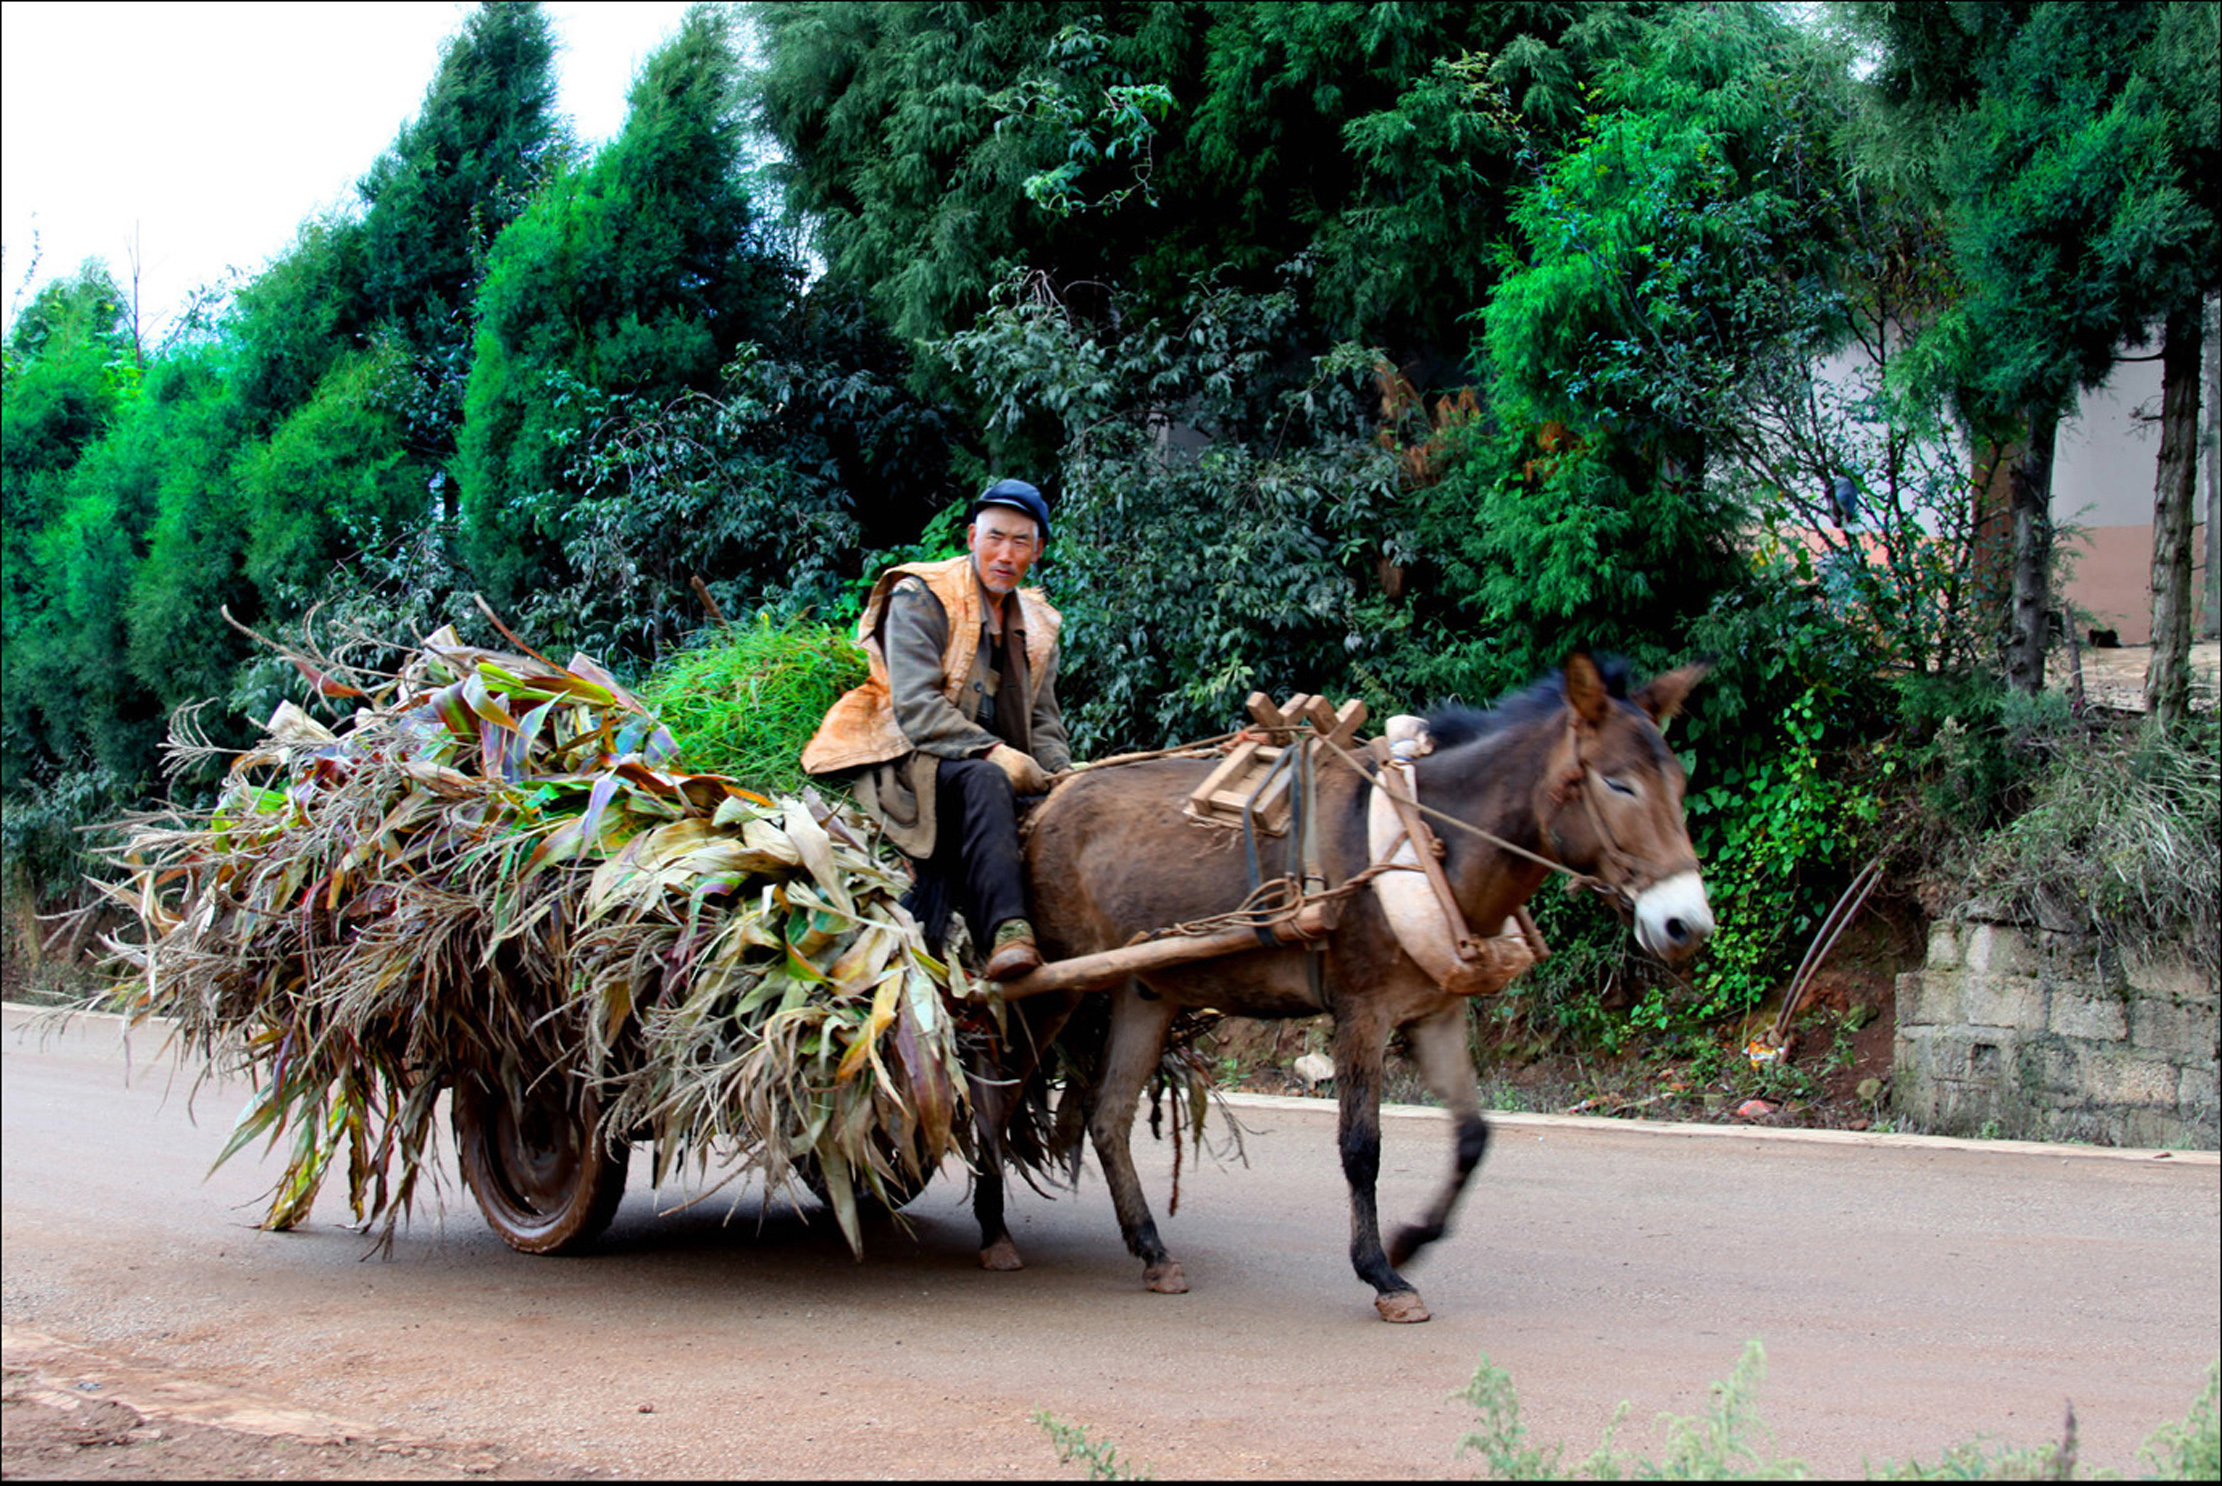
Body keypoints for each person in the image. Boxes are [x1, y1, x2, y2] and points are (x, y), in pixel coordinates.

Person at [801, 479, 1072, 979]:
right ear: (971, 537)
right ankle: (1007, 932)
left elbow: (1043, 718)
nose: (1005, 554)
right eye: (994, 537)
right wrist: (994, 753)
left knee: (1073, 805)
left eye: (1020, 542)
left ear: (1037, 551)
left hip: (992, 761)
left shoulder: (1039, 623)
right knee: (985, 780)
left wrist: (1061, 771)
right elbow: (918, 708)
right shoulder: (921, 595)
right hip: (914, 755)